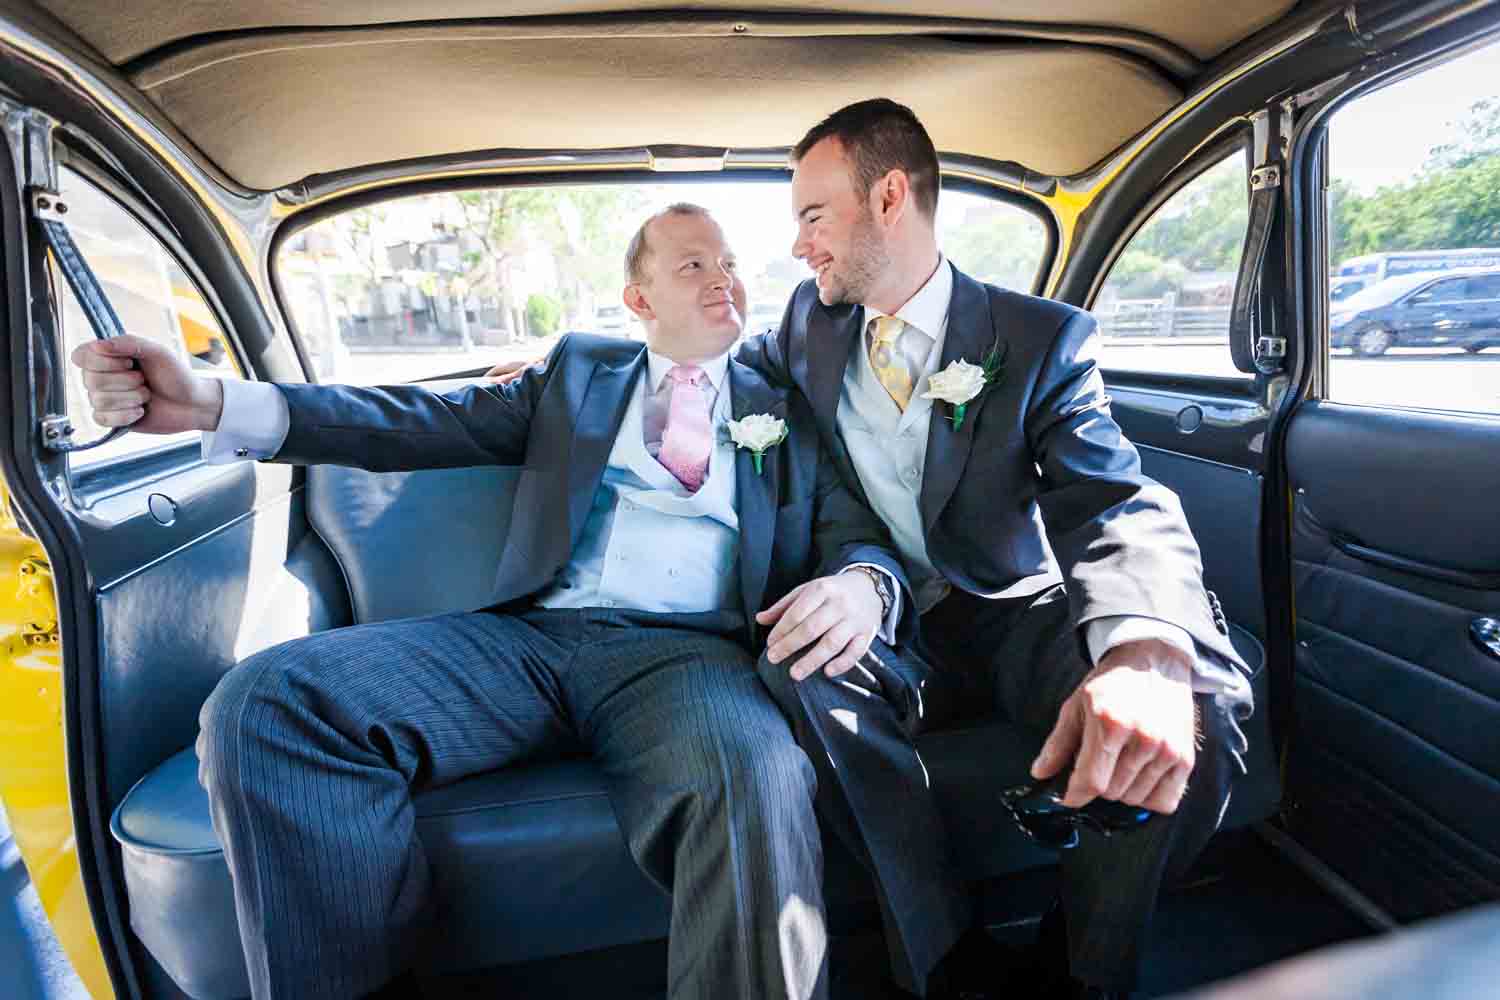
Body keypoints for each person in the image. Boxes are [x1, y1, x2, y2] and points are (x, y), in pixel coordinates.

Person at [71, 204, 911, 1000]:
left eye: (728, 260)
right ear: (638, 298)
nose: (722, 275)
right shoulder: (578, 372)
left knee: (757, 771)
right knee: (267, 702)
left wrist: (864, 585)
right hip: (527, 645)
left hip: (688, 658)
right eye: (693, 262)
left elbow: (856, 531)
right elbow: (411, 419)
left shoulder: (787, 402)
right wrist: (207, 401)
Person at [734, 99, 1256, 1000]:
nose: (799, 245)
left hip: (1020, 610)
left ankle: (1083, 971)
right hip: (889, 611)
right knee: (800, 666)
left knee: (1187, 718)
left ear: (889, 196)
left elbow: (1115, 499)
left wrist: (1142, 649)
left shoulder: (1039, 338)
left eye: (813, 217)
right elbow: (717, 365)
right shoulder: (807, 324)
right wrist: (572, 373)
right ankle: (946, 965)